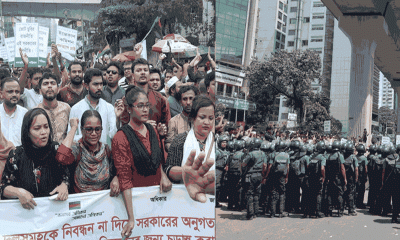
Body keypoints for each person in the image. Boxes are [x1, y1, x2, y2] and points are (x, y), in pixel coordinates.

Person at [112, 86, 172, 238]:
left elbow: (157, 159)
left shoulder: (153, 131)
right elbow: (124, 178)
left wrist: (163, 175)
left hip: (156, 199)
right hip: (136, 200)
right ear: (129, 109)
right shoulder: (121, 137)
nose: (145, 110)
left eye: (147, 105)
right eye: (140, 106)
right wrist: (131, 218)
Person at [0, 108, 69, 209]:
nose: (43, 132)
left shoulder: (55, 150)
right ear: (27, 132)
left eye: (46, 127)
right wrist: (19, 192)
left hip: (53, 214)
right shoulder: (16, 155)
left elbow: (66, 176)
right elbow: (3, 187)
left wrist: (64, 186)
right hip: (26, 215)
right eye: (37, 128)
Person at [56, 110, 119, 195]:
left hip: (103, 202)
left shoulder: (106, 150)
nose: (94, 133)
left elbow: (117, 171)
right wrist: (74, 127)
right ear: (82, 130)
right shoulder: (77, 149)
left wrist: (116, 178)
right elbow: (61, 158)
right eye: (89, 129)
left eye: (97, 129)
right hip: (81, 203)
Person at [68, 68, 121, 146]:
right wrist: (89, 138)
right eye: (95, 84)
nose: (99, 87)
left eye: (101, 84)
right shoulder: (76, 109)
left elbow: (113, 136)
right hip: (82, 154)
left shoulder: (109, 108)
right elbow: (70, 136)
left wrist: (117, 118)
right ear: (86, 86)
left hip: (104, 155)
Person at [37, 73, 71, 143]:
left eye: (52, 83)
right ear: (40, 91)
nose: (49, 86)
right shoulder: (36, 111)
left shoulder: (66, 108)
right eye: (45, 84)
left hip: (64, 151)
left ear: (58, 89)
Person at [165, 85, 199, 150]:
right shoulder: (174, 121)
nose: (188, 102)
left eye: (191, 98)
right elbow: (168, 144)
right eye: (185, 99)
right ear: (180, 102)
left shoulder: (201, 120)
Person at [0, 78, 28, 146]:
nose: (14, 94)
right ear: (1, 94)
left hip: (20, 155)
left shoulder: (25, 114)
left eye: (17, 92)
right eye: (10, 92)